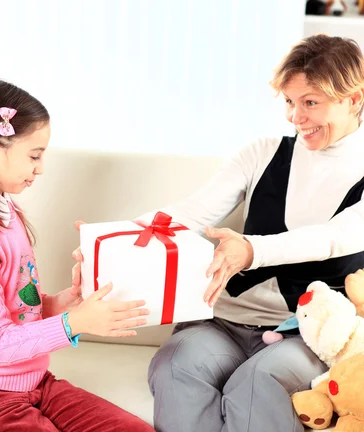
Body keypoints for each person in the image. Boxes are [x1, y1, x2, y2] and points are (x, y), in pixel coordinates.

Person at [138, 34, 364, 432]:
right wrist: (112, 239)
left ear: (355, 99)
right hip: (224, 323)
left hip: (305, 335)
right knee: (174, 365)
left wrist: (248, 251)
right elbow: (193, 212)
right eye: (290, 103)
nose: (296, 118)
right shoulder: (261, 152)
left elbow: (333, 237)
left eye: (310, 102)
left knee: (261, 383)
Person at [0, 79, 154, 431]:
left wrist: (67, 303)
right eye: (34, 155)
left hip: (34, 382)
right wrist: (74, 323)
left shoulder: (6, 211)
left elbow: (19, 310)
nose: (41, 167)